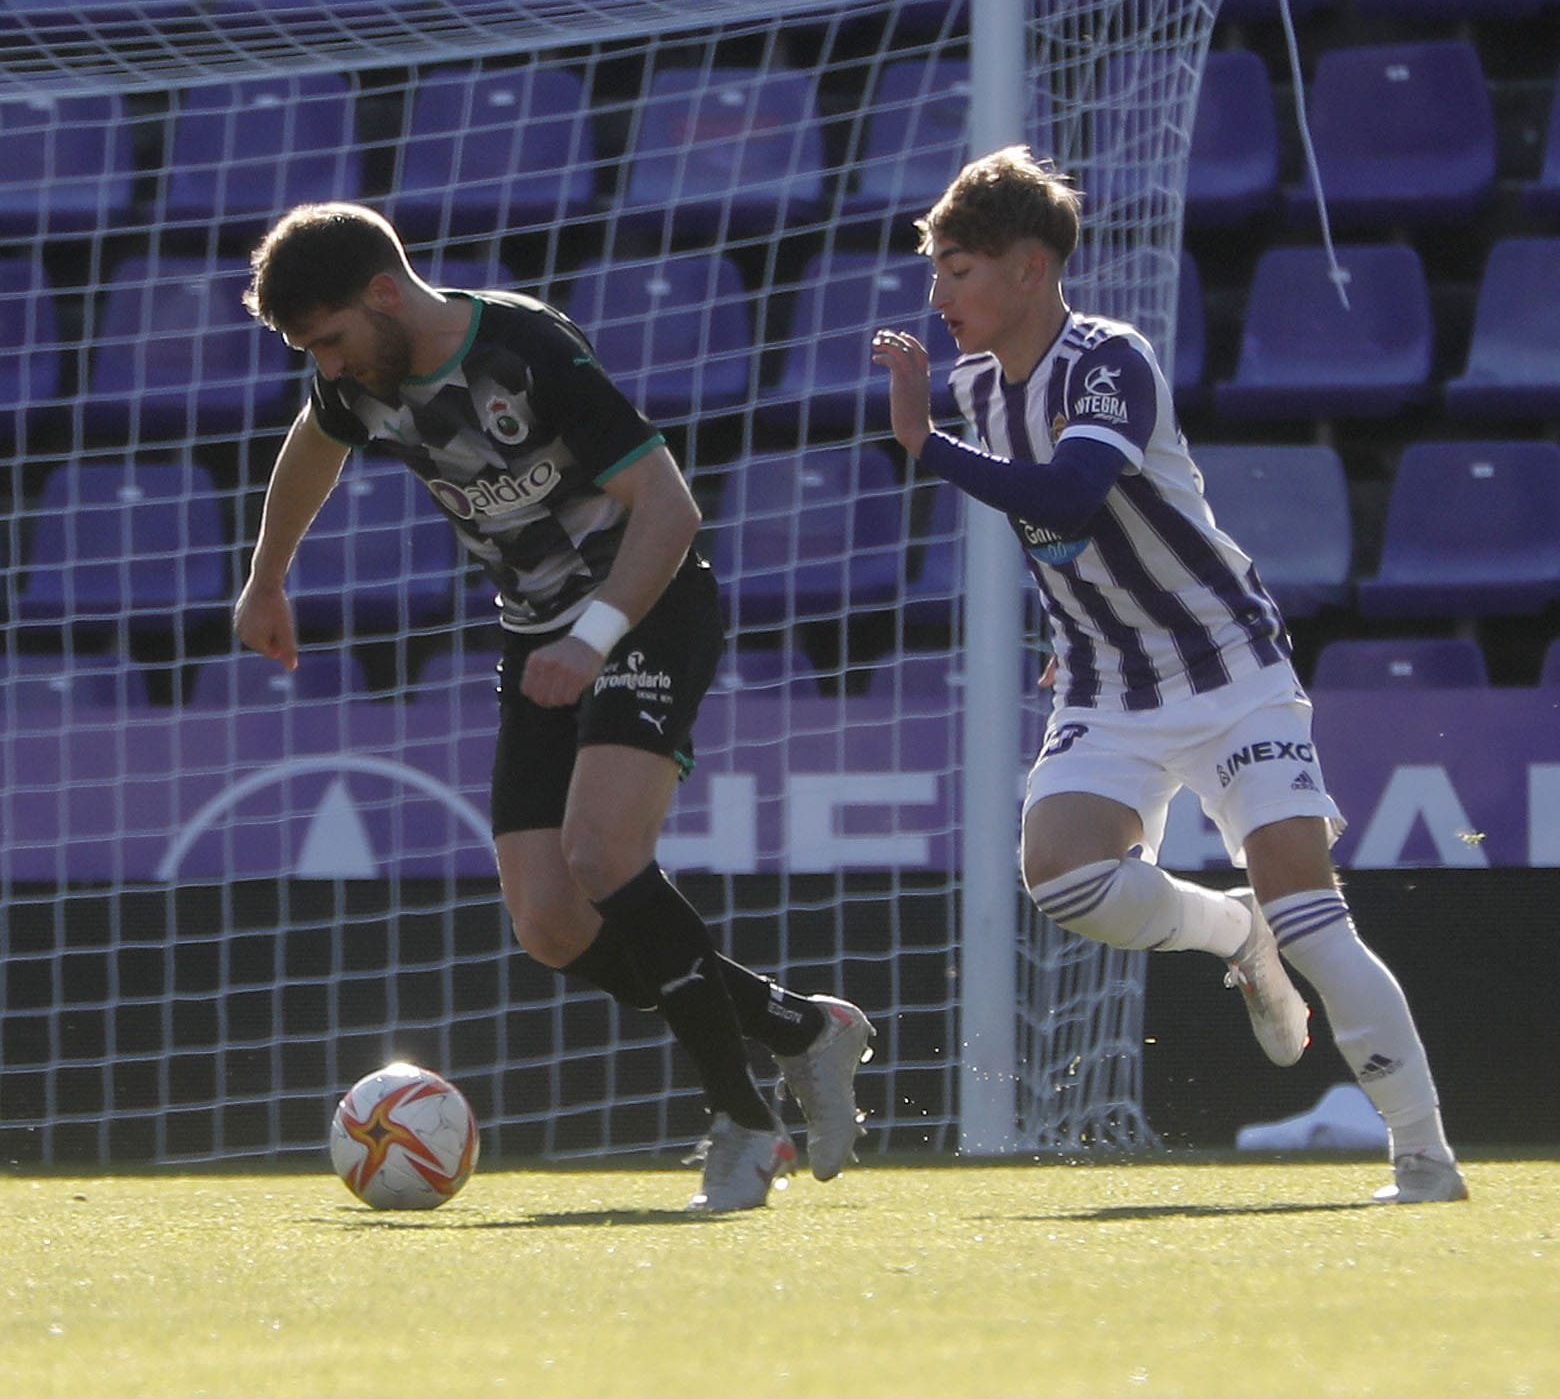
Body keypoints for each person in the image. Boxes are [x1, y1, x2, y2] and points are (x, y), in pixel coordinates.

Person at [235, 201, 873, 1212]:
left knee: (603, 855)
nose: (331, 366)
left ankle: (746, 1128)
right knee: (550, 923)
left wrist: (593, 638)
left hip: (646, 605)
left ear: (385, 293)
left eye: (333, 340)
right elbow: (313, 444)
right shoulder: (365, 383)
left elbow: (669, 506)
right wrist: (267, 577)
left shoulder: (526, 351)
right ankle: (802, 1029)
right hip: (539, 633)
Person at [871, 146, 1466, 1205]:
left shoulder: (1109, 359)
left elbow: (1070, 499)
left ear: (1027, 268)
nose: (938, 296)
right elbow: (1063, 545)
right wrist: (1078, 618)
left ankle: (1423, 1155)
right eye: (935, 271)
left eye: (956, 269)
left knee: (1315, 918)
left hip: (1229, 667)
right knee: (1062, 878)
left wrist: (925, 447)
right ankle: (1235, 934)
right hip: (1107, 681)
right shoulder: (975, 385)